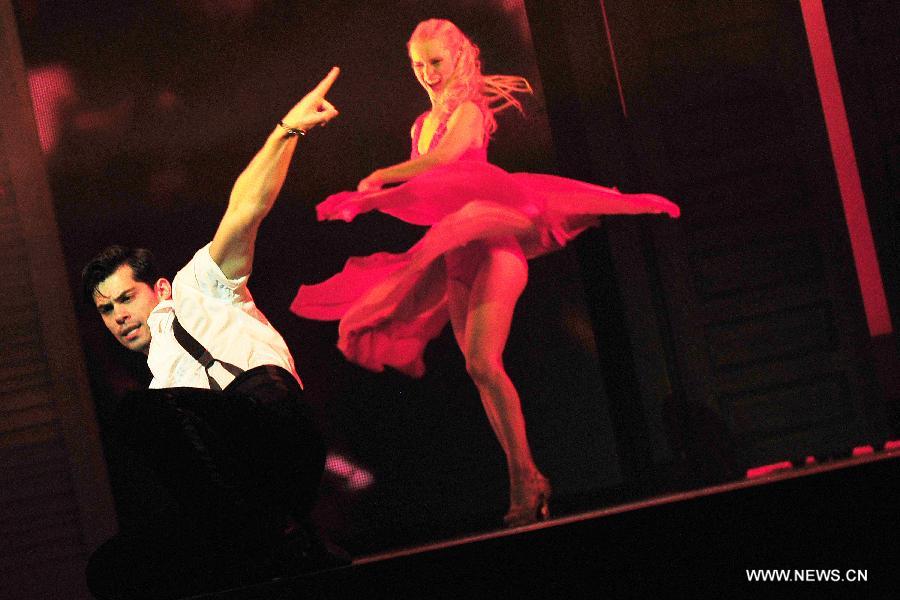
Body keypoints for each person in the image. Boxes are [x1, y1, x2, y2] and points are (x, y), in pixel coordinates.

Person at [291, 20, 680, 528]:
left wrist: (384, 177)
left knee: (483, 361)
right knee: (478, 369)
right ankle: (526, 475)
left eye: (436, 62)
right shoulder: (419, 125)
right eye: (418, 65)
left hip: (493, 248)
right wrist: (378, 197)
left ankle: (525, 478)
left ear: (458, 58)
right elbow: (430, 184)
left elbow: (447, 161)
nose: (428, 74)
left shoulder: (469, 113)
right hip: (458, 255)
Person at [82, 68, 342, 599]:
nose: (119, 317)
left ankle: (270, 541)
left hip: (271, 415)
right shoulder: (161, 387)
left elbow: (245, 210)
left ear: (157, 288)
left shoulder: (197, 285)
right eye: (106, 311)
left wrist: (286, 130)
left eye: (126, 298)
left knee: (142, 414)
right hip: (253, 475)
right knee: (114, 567)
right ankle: (275, 545)